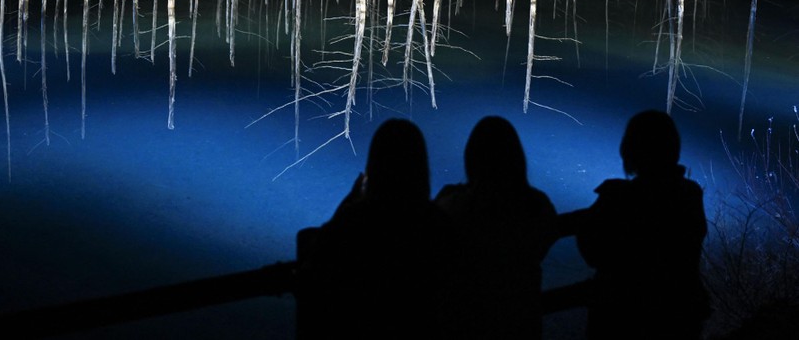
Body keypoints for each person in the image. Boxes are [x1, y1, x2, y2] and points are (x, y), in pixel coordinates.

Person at [295, 118, 463, 339]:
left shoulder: (350, 223)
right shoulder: (438, 225)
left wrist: (346, 207)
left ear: (374, 167)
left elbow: (312, 276)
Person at [560, 109, 711, 340]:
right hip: (680, 321)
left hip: (622, 321)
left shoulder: (620, 198)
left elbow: (595, 255)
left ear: (630, 150)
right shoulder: (690, 194)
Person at [434, 115, 558, 339]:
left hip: (467, 320)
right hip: (521, 320)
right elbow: (541, 246)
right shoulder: (538, 204)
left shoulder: (453, 204)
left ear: (472, 158)